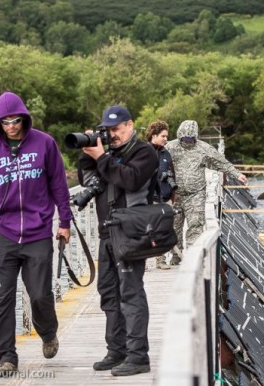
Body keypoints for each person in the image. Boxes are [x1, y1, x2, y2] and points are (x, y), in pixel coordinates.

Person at [0, 91, 72, 376]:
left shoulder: (44, 144)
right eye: (5, 122)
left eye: (15, 120)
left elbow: (59, 185)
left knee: (39, 295)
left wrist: (65, 222)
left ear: (24, 118)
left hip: (37, 233)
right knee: (3, 299)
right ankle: (6, 357)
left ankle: (48, 333)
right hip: (4, 234)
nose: (11, 126)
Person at [78, 105, 158, 377]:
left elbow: (131, 180)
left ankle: (138, 356)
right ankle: (117, 350)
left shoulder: (143, 152)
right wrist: (90, 154)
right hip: (107, 233)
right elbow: (87, 179)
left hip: (132, 235)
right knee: (109, 293)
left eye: (116, 129)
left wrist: (102, 157)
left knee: (131, 294)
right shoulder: (108, 154)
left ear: (130, 125)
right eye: (108, 130)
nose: (112, 135)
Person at [165, 120, 247, 264]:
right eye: (185, 138)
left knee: (196, 224)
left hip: (196, 194)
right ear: (179, 136)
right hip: (175, 194)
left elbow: (221, 162)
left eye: (191, 139)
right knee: (175, 227)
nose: (188, 141)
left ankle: (192, 257)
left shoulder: (204, 148)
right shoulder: (170, 147)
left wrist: (237, 174)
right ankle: (176, 255)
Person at [145, 120, 177, 270]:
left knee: (164, 229)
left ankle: (161, 260)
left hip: (165, 197)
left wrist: (172, 196)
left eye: (167, 136)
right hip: (147, 199)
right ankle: (142, 261)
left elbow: (172, 174)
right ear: (153, 135)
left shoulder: (166, 153)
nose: (166, 139)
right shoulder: (143, 152)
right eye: (163, 136)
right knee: (146, 229)